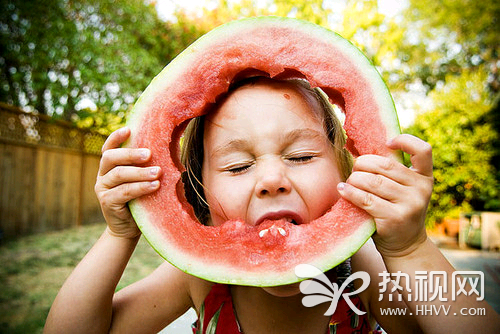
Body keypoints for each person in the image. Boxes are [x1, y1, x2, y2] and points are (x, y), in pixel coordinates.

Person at [44, 77, 499, 334]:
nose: (272, 181)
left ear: (345, 169)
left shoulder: (360, 275)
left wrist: (410, 249)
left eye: (300, 157)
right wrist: (119, 234)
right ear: (198, 191)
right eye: (238, 166)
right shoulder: (199, 278)